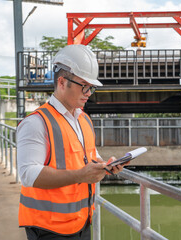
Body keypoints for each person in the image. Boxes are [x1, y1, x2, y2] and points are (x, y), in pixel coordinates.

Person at [17, 44, 124, 240]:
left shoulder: (83, 119)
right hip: (49, 228)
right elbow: (28, 174)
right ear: (61, 81)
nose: (89, 93)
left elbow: (90, 156)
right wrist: (79, 175)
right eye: (84, 86)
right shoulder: (37, 123)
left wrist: (105, 165)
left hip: (81, 221)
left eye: (91, 87)